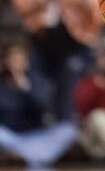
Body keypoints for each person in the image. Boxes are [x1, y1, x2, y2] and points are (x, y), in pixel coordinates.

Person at [0, 39, 78, 168]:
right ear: (6, 61)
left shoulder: (36, 80)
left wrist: (26, 88)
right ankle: (30, 156)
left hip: (36, 137)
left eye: (19, 58)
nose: (16, 62)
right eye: (12, 58)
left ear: (26, 61)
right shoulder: (2, 82)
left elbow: (43, 107)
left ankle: (25, 156)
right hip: (11, 137)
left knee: (68, 130)